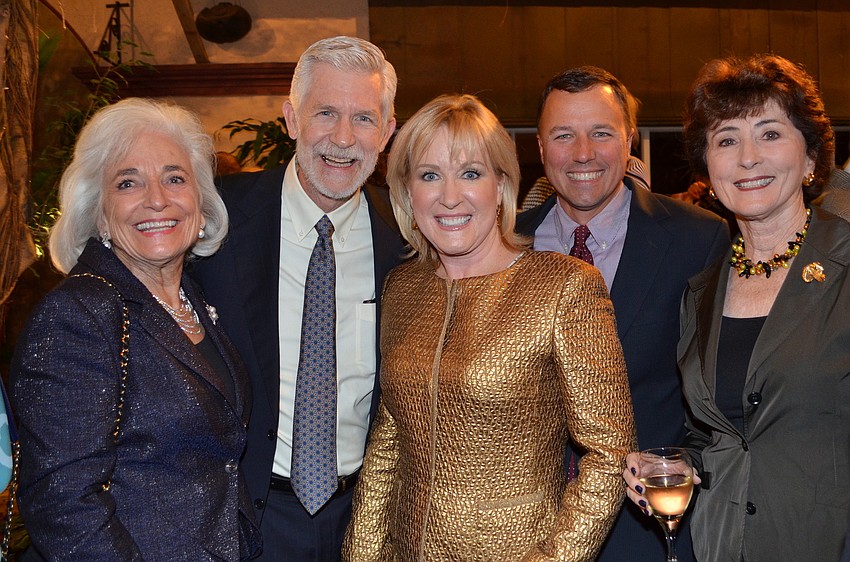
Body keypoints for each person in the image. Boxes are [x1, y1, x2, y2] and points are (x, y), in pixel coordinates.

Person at [342, 94, 635, 561]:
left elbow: (608, 452)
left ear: (501, 185)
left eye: (471, 173)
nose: (450, 196)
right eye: (430, 175)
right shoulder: (402, 286)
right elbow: (391, 436)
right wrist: (361, 554)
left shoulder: (564, 286)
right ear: (407, 191)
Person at [10, 98, 260, 559]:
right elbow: (63, 504)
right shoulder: (78, 316)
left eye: (174, 177)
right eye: (129, 182)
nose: (157, 199)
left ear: (200, 204)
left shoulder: (195, 300)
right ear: (100, 213)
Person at [624, 53, 850, 561]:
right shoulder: (702, 292)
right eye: (727, 139)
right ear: (709, 167)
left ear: (811, 157)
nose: (748, 158)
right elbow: (722, 434)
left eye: (770, 134)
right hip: (723, 545)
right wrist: (679, 464)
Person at [191, 36, 405, 561]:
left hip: (365, 520)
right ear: (291, 118)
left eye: (363, 118)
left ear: (388, 131)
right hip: (242, 514)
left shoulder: (407, 244)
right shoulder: (214, 224)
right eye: (325, 112)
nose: (342, 138)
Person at [515, 66, 728, 562]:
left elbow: (716, 398)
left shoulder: (698, 240)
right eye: (563, 135)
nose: (583, 152)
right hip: (526, 531)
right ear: (541, 149)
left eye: (602, 133)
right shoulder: (503, 243)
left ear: (629, 140)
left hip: (647, 531)